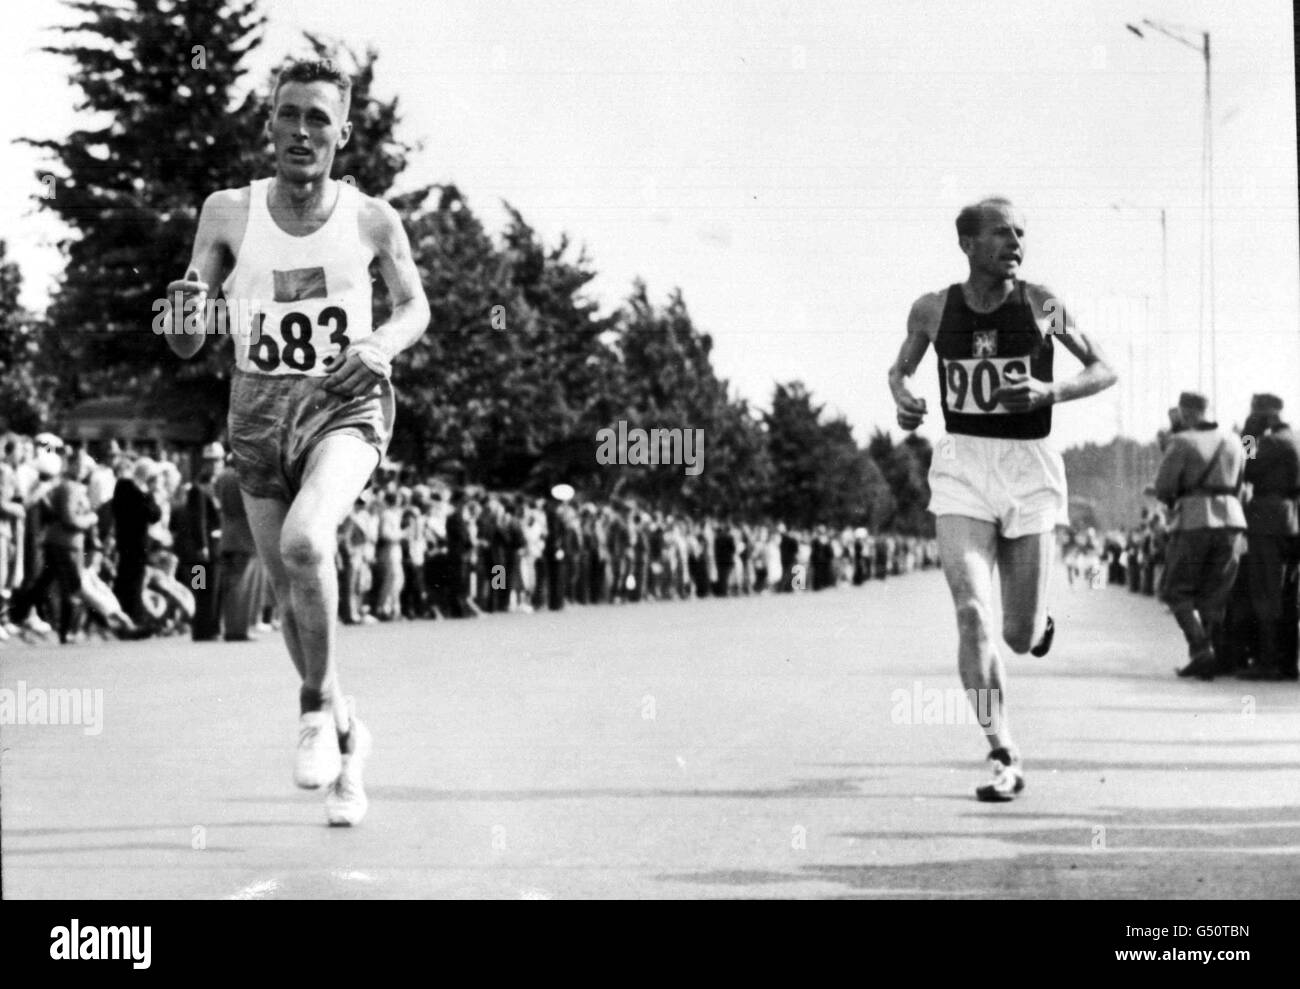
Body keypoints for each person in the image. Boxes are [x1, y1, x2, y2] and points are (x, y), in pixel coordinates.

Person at [160, 58, 431, 825]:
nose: (302, 131)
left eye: (319, 117)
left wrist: (380, 343)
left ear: (343, 131)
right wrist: (184, 314)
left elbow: (415, 307)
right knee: (288, 597)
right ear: (269, 122)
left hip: (344, 404)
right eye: (289, 114)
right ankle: (349, 740)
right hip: (256, 411)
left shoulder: (372, 217)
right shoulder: (226, 212)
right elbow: (186, 342)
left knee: (308, 544)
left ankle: (313, 706)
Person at [887, 196, 1117, 801]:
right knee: (971, 612)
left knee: (1016, 634)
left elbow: (1103, 368)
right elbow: (899, 371)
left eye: (1021, 233)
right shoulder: (933, 309)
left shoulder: (1041, 302)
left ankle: (1039, 623)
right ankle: (1003, 750)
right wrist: (904, 397)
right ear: (966, 243)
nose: (1015, 242)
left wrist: (1050, 390)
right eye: (1000, 233)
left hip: (1029, 468)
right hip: (963, 467)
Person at [1154, 392, 1247, 680]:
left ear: (1186, 413)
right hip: (1231, 520)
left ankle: (1201, 648)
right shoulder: (1235, 440)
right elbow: (1241, 483)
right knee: (1215, 593)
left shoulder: (1181, 441)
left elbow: (1164, 487)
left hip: (1194, 520)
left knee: (1175, 590)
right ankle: (1206, 655)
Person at [1237, 393, 1298, 680]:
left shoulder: (1272, 442)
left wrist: (1249, 434)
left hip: (1268, 519)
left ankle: (1268, 661)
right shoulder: (1295, 438)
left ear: (1265, 415)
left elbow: (1246, 468)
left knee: (1266, 590)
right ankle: (1287, 660)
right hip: (1291, 518)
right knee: (1287, 594)